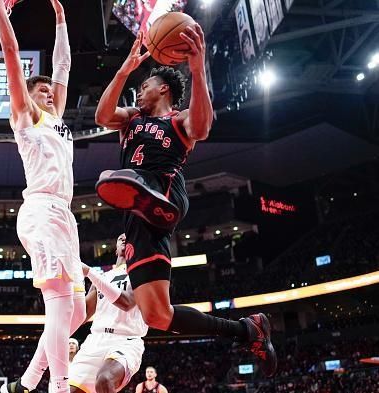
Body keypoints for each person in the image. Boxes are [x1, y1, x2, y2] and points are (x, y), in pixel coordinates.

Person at [94, 26, 277, 377]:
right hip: (137, 220)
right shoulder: (131, 119)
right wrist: (125, 70)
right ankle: (247, 330)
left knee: (131, 181)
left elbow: (203, 127)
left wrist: (197, 67)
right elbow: (102, 116)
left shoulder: (177, 121)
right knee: (157, 316)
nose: (139, 90)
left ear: (163, 88)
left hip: (165, 191)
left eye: (144, 84)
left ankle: (147, 196)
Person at [0, 1, 87, 392]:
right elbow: (12, 55)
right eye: (43, 90)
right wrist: (0, 8)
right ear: (30, 96)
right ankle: (58, 386)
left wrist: (61, 21)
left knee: (78, 310)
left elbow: (63, 67)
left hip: (63, 214)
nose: (50, 94)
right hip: (42, 210)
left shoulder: (57, 119)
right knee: (61, 300)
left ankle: (27, 382)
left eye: (51, 91)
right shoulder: (26, 116)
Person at [70, 233, 148, 393]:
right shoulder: (104, 277)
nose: (125, 238)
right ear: (115, 248)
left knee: (104, 380)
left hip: (125, 340)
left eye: (131, 236)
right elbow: (81, 315)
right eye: (121, 238)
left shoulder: (141, 272)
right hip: (95, 340)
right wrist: (72, 288)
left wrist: (90, 272)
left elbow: (126, 303)